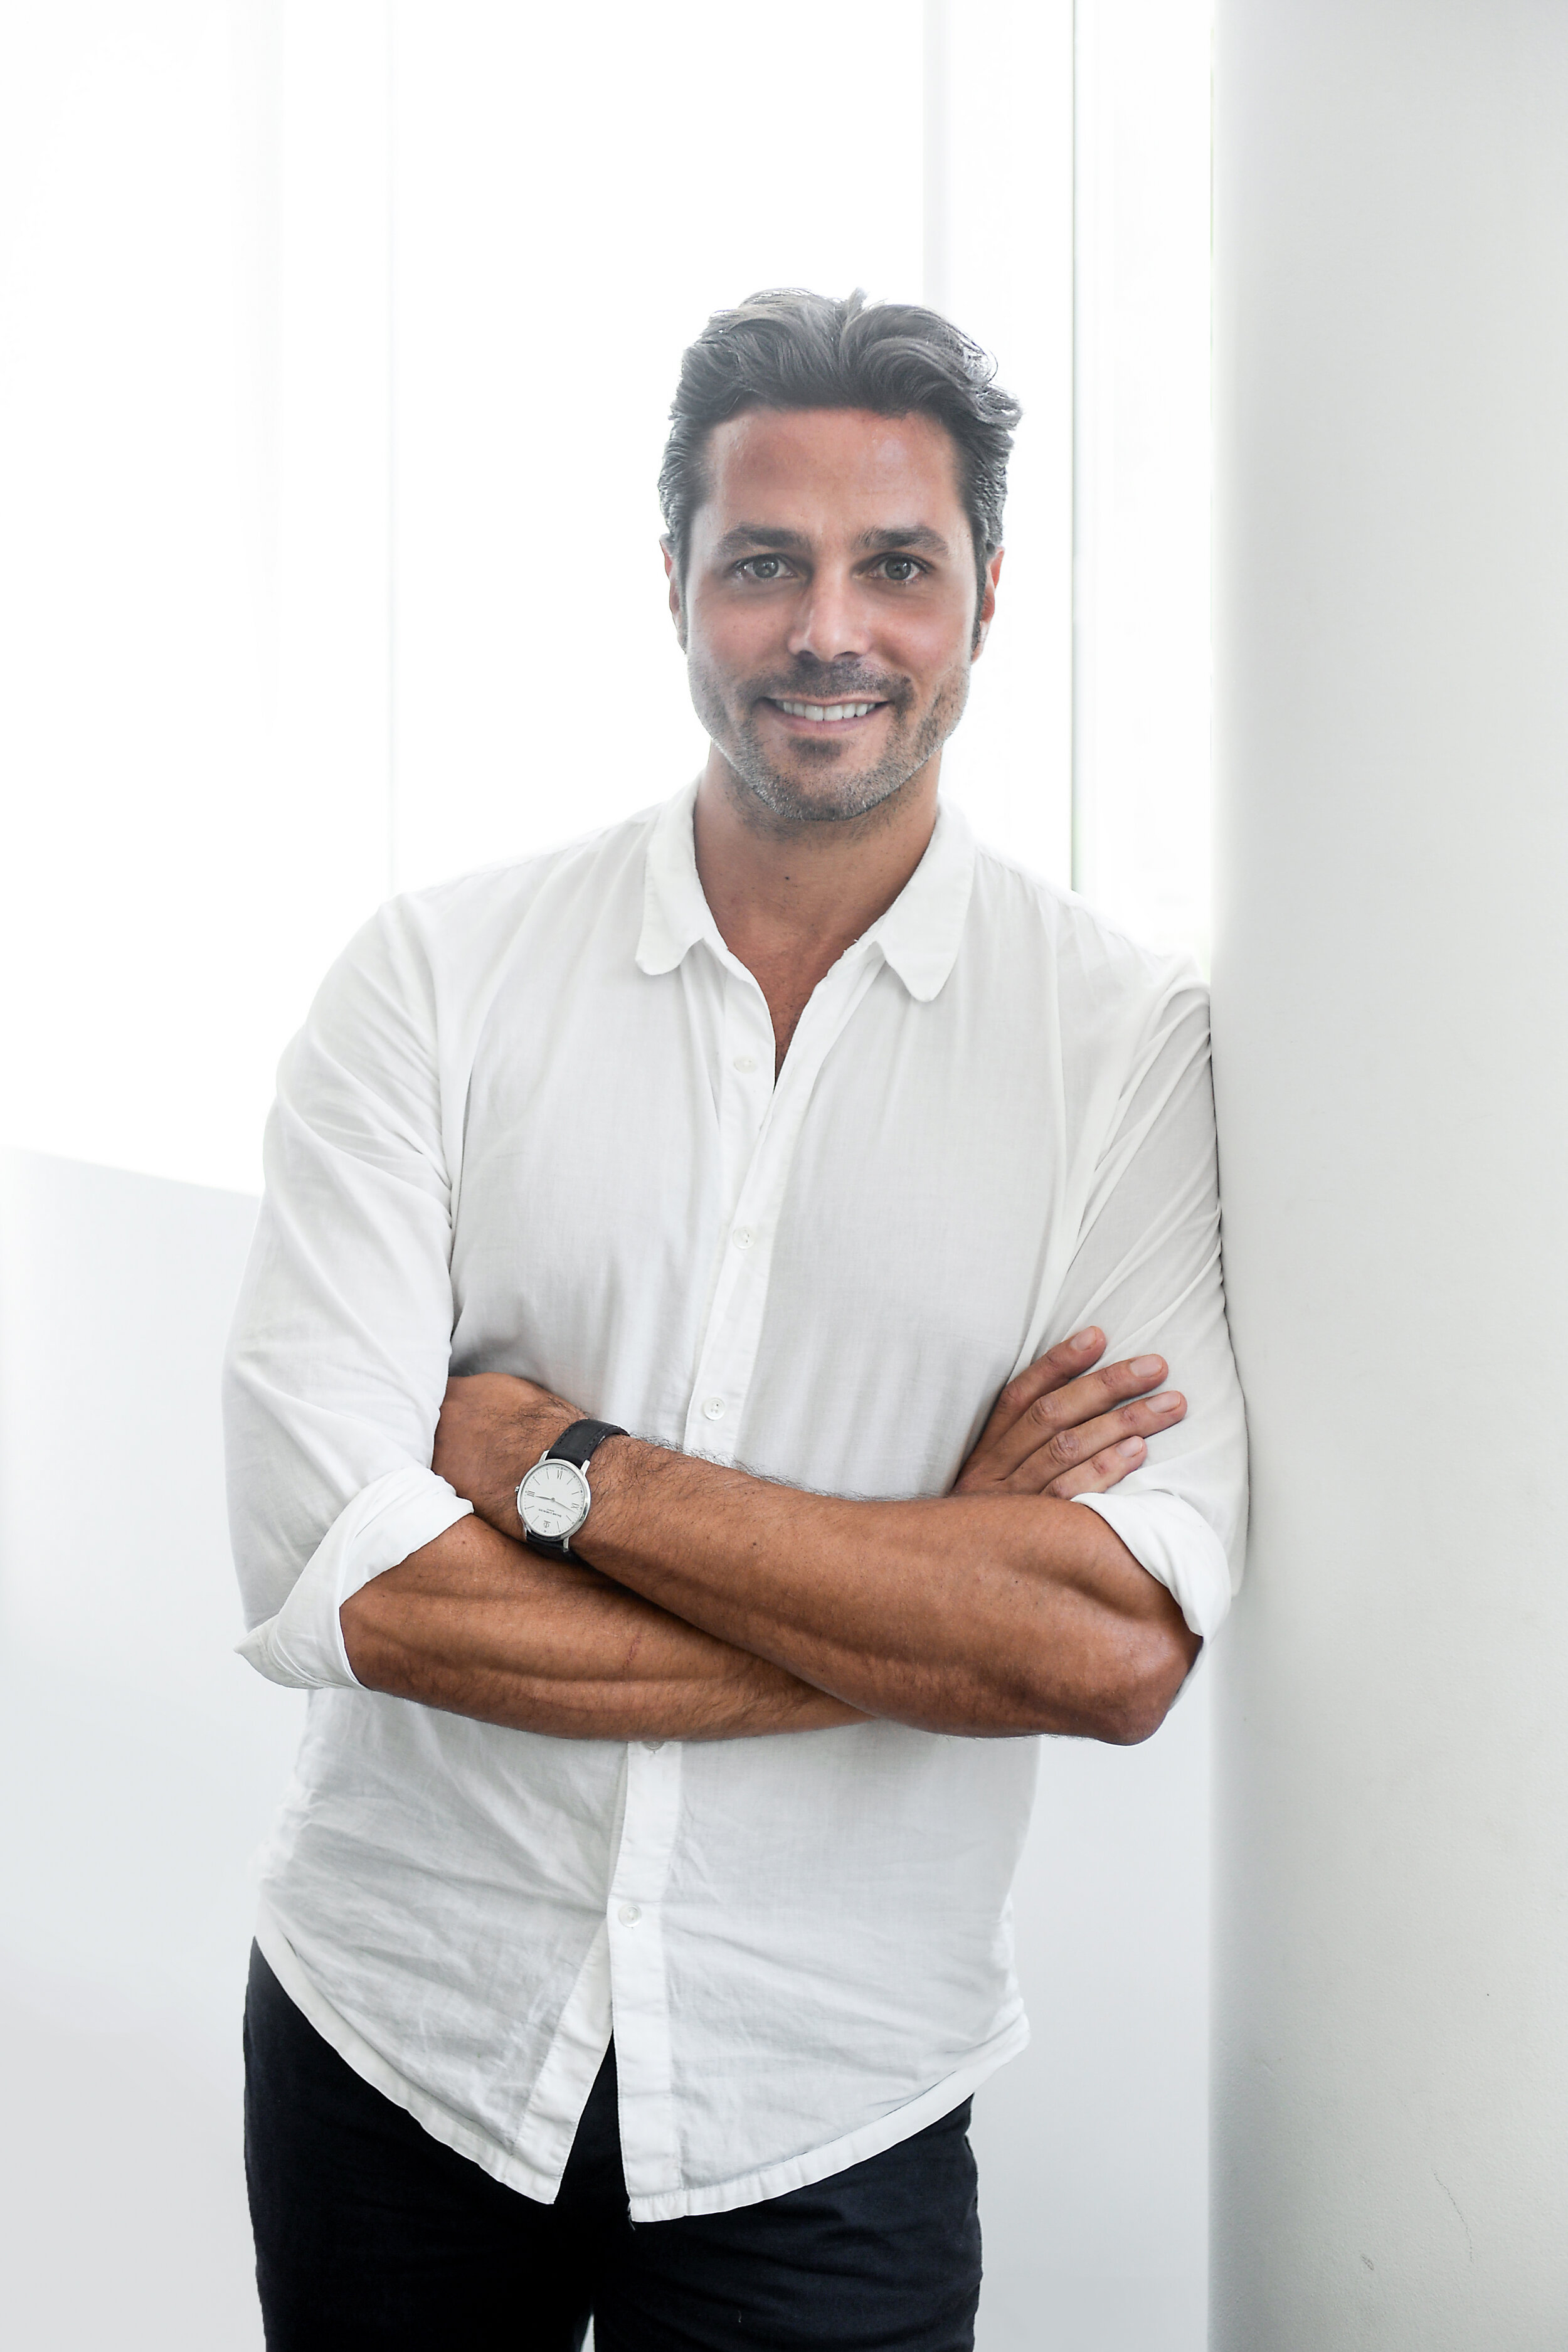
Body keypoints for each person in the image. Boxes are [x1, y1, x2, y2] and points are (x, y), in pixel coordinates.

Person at [226, 287, 1247, 2352]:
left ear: (984, 595)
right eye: (763, 562)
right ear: (673, 582)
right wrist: (912, 1611)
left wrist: (556, 1470)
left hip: (826, 2110)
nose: (827, 632)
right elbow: (349, 1588)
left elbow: (1111, 1645)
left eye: (896, 567)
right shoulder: (431, 982)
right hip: (397, 2041)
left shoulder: (1121, 1047)